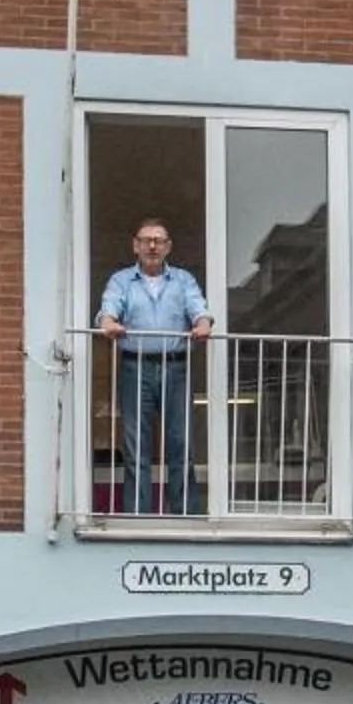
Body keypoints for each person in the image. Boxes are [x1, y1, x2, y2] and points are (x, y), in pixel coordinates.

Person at [97, 220, 212, 515]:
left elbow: (199, 309)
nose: (152, 246)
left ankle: (183, 515)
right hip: (136, 366)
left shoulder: (183, 280)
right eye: (146, 240)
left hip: (175, 367)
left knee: (181, 444)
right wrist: (108, 323)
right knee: (136, 446)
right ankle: (137, 515)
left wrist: (202, 323)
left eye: (158, 241)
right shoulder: (121, 281)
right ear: (135, 245)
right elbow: (109, 308)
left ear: (168, 247)